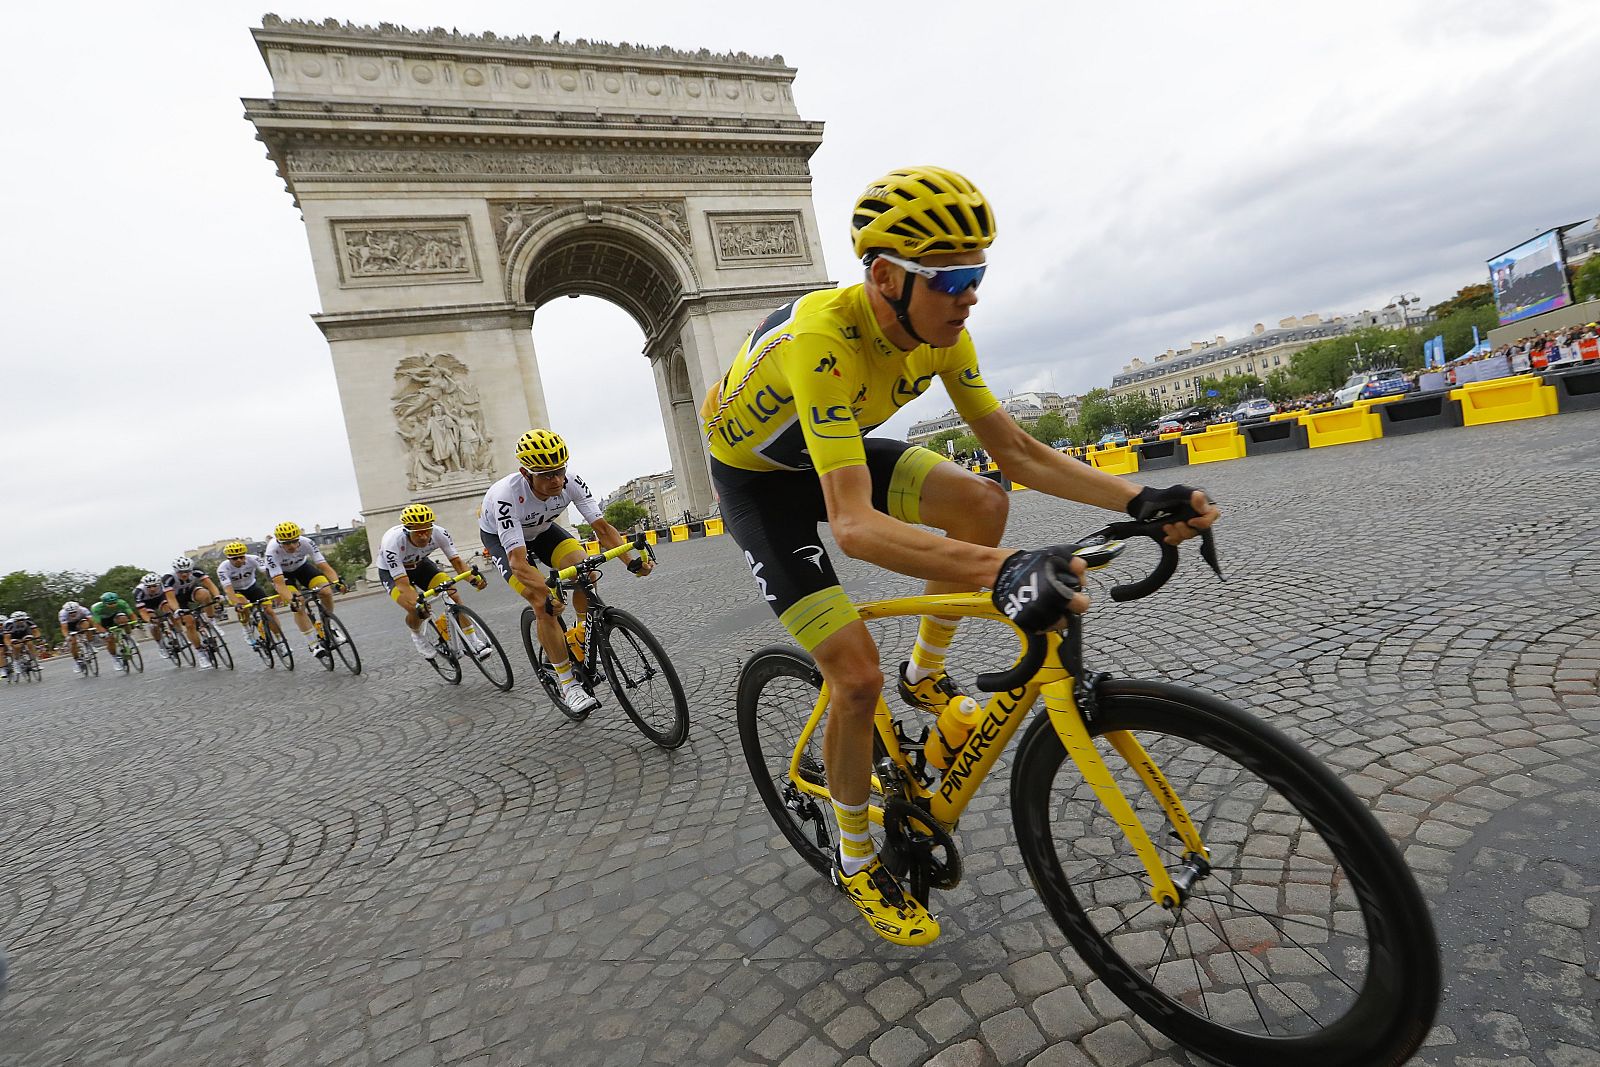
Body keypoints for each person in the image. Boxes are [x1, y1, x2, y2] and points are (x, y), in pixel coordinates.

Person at [700, 165, 1218, 946]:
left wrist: (1137, 501)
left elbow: (1014, 451)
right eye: (953, 278)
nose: (972, 294)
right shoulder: (822, 341)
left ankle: (926, 671)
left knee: (982, 501)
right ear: (885, 277)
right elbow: (854, 525)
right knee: (854, 675)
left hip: (829, 445)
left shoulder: (944, 334)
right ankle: (855, 852)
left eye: (979, 273)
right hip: (759, 481)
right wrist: (1007, 569)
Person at [478, 429, 653, 713]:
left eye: (559, 471)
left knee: (586, 572)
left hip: (543, 531)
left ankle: (580, 632)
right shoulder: (506, 497)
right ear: (526, 473)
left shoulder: (571, 482)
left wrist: (631, 562)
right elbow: (519, 562)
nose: (556, 480)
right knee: (544, 605)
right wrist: (546, 593)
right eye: (546, 475)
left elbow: (603, 529)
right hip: (504, 543)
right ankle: (568, 684)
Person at [378, 503, 490, 661]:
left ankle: (474, 641)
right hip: (393, 574)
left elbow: (457, 563)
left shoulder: (439, 533)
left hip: (421, 565)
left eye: (427, 530)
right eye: (418, 532)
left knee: (453, 595)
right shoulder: (393, 543)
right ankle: (417, 635)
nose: (424, 536)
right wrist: (418, 602)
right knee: (416, 609)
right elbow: (403, 584)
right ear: (408, 531)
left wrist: (473, 579)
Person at [264, 522, 345, 662]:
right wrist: (291, 601)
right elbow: (279, 583)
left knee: (325, 591)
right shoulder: (272, 551)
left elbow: (324, 566)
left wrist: (337, 582)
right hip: (282, 575)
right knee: (298, 603)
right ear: (279, 541)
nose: (292, 546)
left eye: (295, 541)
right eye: (287, 543)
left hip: (302, 568)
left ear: (299, 538)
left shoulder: (307, 542)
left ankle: (328, 624)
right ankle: (313, 644)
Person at [216, 542, 284, 649]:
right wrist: (236, 603)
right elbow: (228, 589)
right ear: (229, 559)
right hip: (236, 591)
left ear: (245, 555)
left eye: (241, 557)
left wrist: (278, 588)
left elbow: (267, 573)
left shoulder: (253, 559)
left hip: (252, 587)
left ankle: (281, 641)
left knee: (269, 612)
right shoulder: (223, 568)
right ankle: (246, 629)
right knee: (242, 604)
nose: (238, 560)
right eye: (234, 558)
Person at [163, 557, 224, 669]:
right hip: (177, 599)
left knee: (205, 594)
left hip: (191, 592)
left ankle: (212, 621)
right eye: (181, 572)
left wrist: (217, 596)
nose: (185, 574)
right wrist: (177, 610)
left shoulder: (196, 571)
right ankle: (200, 652)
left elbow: (210, 585)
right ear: (176, 571)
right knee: (189, 623)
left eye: (187, 571)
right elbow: (170, 599)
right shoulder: (169, 578)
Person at [91, 591, 138, 671]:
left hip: (115, 616)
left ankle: (129, 637)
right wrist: (105, 633)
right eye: (109, 604)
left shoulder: (122, 603)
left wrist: (135, 623)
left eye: (114, 603)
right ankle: (115, 658)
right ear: (103, 603)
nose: (112, 605)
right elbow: (97, 624)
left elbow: (131, 615)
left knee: (124, 619)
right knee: (109, 639)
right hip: (103, 621)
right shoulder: (97, 608)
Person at [57, 600, 105, 675]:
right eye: (70, 613)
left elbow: (92, 621)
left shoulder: (83, 610)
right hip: (70, 626)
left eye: (74, 612)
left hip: (81, 622)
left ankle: (90, 645)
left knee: (87, 626)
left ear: (78, 609)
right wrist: (67, 636)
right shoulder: (62, 614)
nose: (73, 614)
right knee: (73, 642)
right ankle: (77, 661)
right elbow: (64, 628)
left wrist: (98, 629)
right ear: (67, 612)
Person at [2, 610, 43, 678]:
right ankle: (16, 662)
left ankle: (35, 661)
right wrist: (9, 646)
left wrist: (38, 638)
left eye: (22, 620)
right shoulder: (9, 624)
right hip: (13, 635)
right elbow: (6, 638)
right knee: (17, 646)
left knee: (30, 643)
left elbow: (36, 631)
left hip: (25, 633)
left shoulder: (28, 620)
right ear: (14, 620)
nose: (21, 621)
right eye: (18, 620)